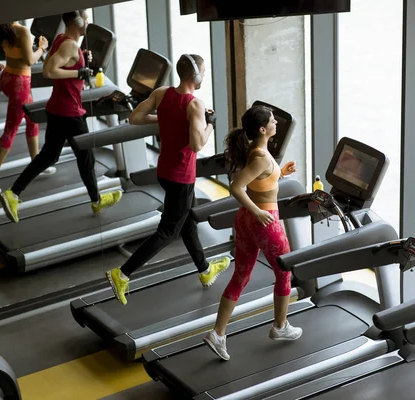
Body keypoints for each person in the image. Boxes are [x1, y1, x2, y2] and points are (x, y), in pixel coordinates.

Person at [105, 54, 231, 305]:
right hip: (182, 177)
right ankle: (122, 273)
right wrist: (210, 124)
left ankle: (205, 271)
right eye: (203, 72)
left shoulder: (162, 93)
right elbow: (197, 144)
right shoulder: (195, 105)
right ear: (196, 76)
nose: (204, 76)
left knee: (188, 222)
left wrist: (167, 119)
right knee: (169, 230)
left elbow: (135, 118)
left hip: (164, 171)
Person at [0, 10, 122, 223]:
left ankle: (13, 193)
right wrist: (78, 72)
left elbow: (60, 61)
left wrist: (80, 58)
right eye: (85, 16)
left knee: (49, 155)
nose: (88, 20)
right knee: (86, 158)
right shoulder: (69, 45)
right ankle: (96, 200)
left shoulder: (63, 40)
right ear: (77, 21)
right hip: (69, 112)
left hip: (57, 108)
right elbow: (48, 71)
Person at [203, 105, 302, 361]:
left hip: (245, 222)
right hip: (263, 222)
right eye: (272, 121)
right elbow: (237, 187)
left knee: (241, 275)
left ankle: (218, 333)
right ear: (262, 129)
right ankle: (280, 327)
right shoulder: (260, 157)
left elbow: (261, 180)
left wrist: (281, 173)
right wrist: (258, 212)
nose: (276, 124)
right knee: (284, 272)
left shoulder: (257, 153)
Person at [0, 22, 54, 194]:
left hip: (7, 78)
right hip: (20, 84)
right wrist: (42, 48)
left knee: (32, 118)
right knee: (11, 129)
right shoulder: (23, 31)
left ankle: (36, 161)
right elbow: (29, 60)